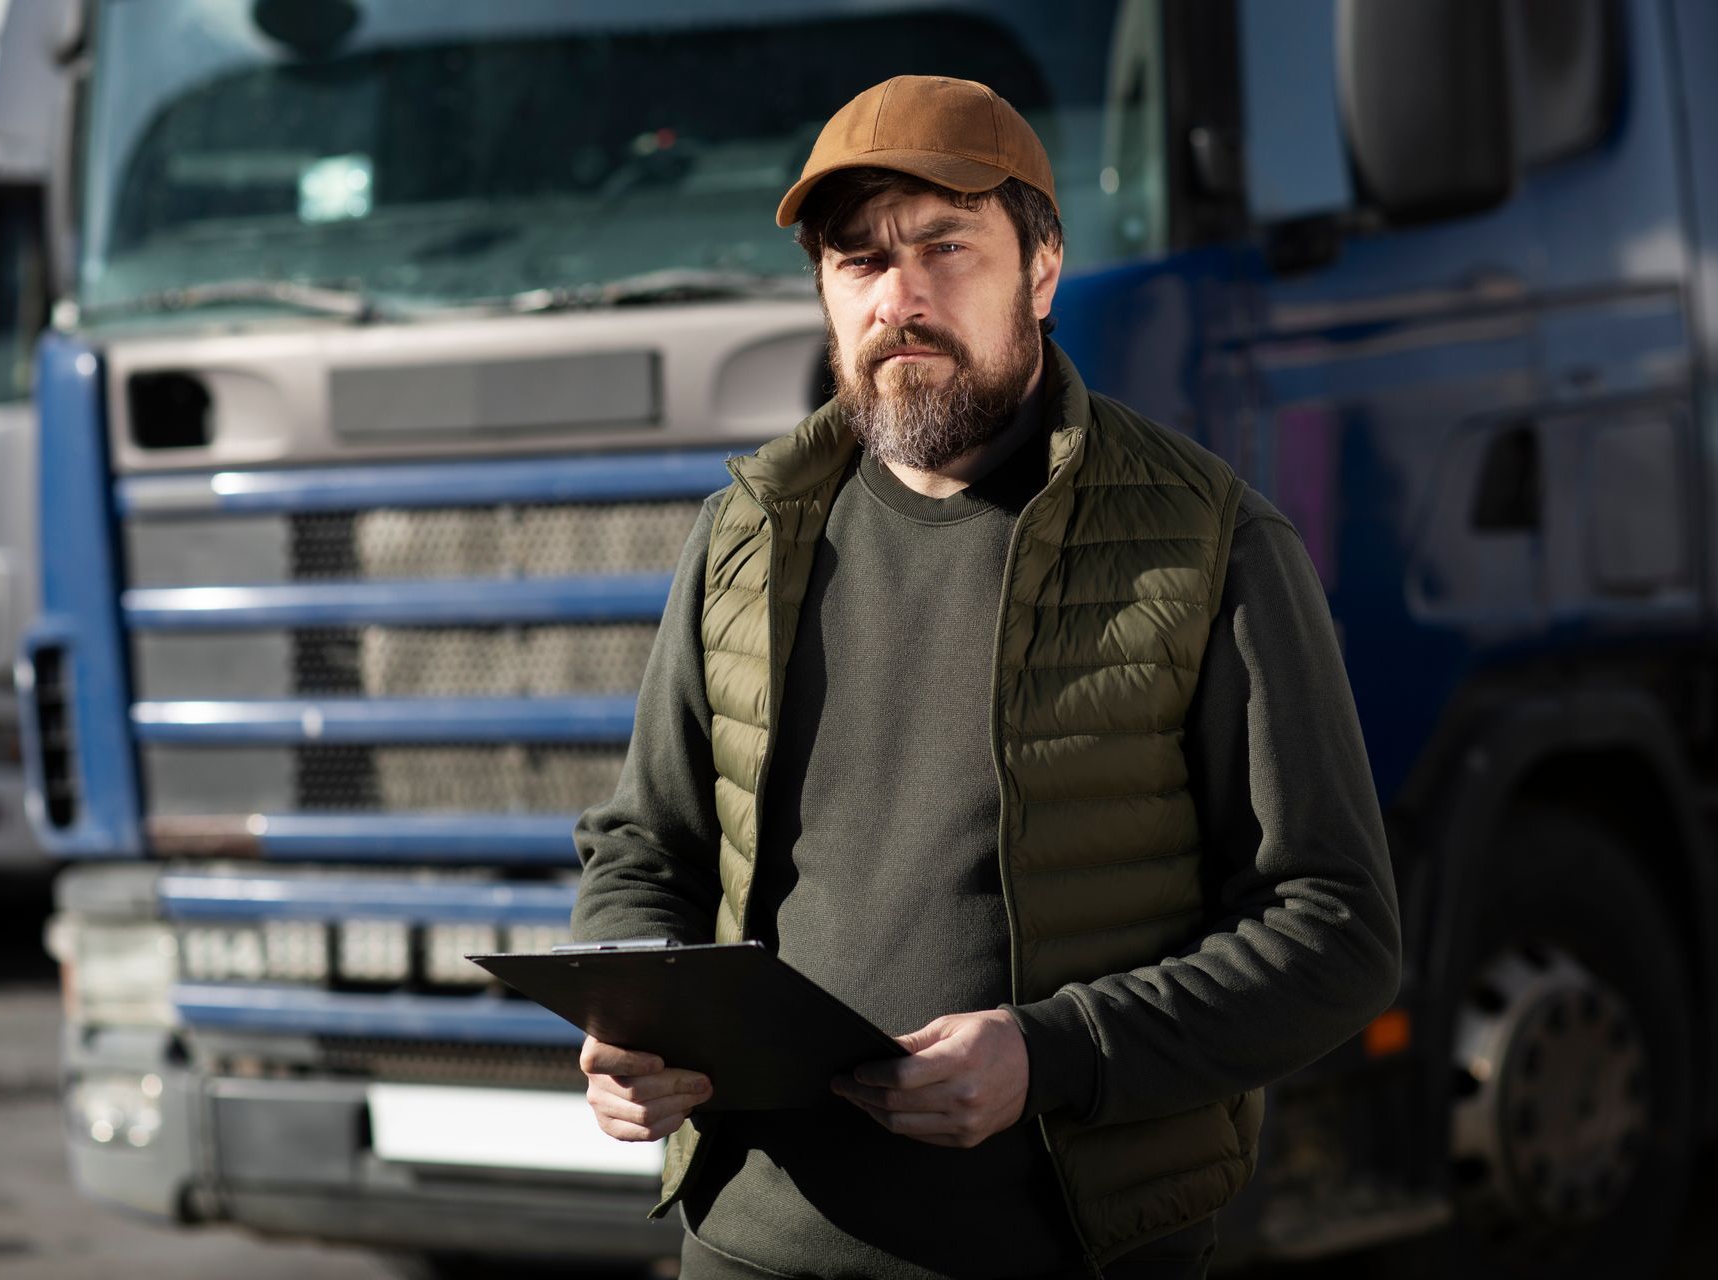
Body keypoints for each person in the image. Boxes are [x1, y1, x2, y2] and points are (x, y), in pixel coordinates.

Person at [571, 74, 1402, 1280]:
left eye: (943, 247)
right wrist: (628, 1018)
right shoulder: (745, 535)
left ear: (1044, 271)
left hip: (1063, 1249)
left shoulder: (1207, 544)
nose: (898, 297)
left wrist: (1053, 1052)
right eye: (858, 261)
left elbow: (1336, 927)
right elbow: (644, 845)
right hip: (749, 1247)